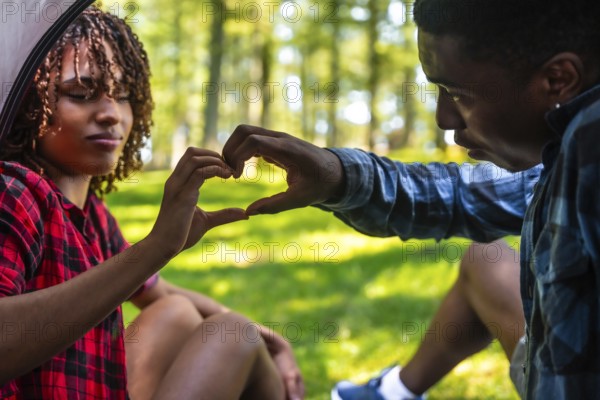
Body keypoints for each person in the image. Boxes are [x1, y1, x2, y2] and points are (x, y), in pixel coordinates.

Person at [221, 0, 600, 397]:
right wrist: (336, 176)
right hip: (552, 365)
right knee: (483, 262)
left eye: (458, 93)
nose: (444, 118)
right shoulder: (562, 156)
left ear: (558, 79)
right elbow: (459, 197)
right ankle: (394, 391)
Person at [0, 7, 303, 400]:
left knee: (182, 315)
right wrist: (156, 247)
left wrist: (273, 339)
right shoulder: (13, 192)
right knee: (235, 338)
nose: (111, 114)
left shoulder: (93, 217)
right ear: (28, 101)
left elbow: (154, 291)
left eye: (123, 96)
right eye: (80, 94)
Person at [332, 240, 525, 400]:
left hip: (553, 377)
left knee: (485, 255)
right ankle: (396, 390)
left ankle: (395, 391)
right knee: (486, 255)